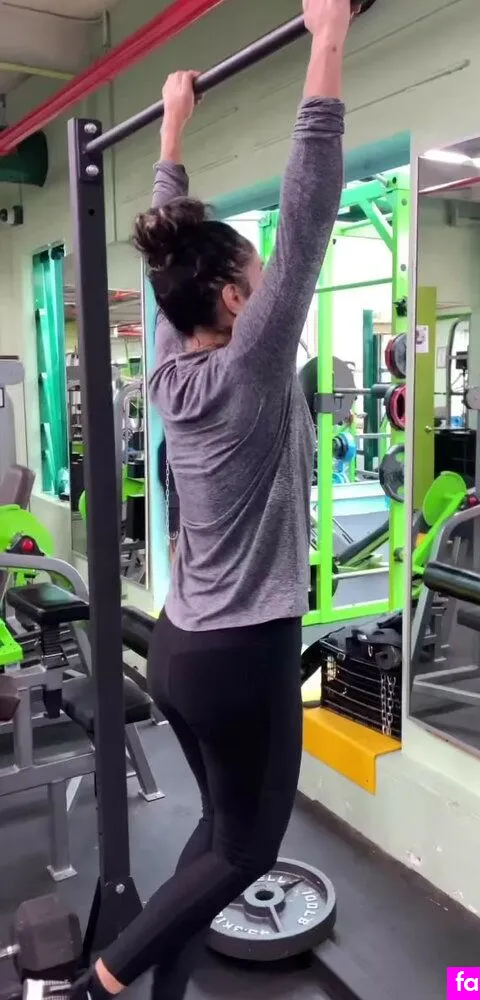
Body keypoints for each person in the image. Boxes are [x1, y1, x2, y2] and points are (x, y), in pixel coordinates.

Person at [48, 2, 351, 998]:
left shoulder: (169, 363)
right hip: (242, 653)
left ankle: (162, 992)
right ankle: (101, 984)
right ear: (232, 300)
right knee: (245, 851)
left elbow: (166, 259)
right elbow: (307, 215)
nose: (270, 281)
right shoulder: (251, 368)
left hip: (180, 647)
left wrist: (172, 133)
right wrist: (326, 40)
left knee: (216, 837)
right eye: (254, 277)